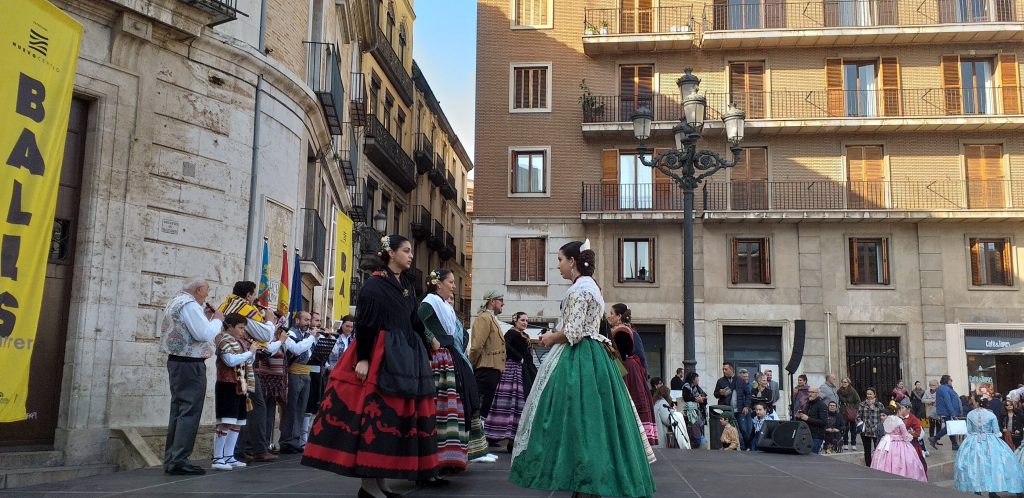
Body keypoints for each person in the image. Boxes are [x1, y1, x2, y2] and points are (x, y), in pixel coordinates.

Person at [509, 240, 655, 498]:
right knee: (598, 420)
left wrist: (550, 338)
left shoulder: (579, 290)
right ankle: (595, 479)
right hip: (595, 355)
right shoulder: (592, 287)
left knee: (576, 419)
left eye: (560, 260)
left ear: (573, 261)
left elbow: (574, 332)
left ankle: (585, 481)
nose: (558, 266)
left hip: (580, 357)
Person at [301, 234, 437, 498]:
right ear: (390, 253)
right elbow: (365, 324)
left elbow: (414, 321)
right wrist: (363, 358)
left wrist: (429, 340)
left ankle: (382, 480)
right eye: (406, 251)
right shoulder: (374, 286)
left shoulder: (406, 284)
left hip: (406, 354)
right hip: (380, 354)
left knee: (396, 417)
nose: (411, 255)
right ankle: (368, 486)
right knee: (376, 416)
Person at [160, 277, 224, 476]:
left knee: (178, 410)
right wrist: (217, 320)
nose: (207, 294)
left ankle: (172, 457)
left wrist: (204, 317)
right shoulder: (190, 304)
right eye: (206, 290)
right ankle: (179, 459)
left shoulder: (176, 300)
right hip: (190, 364)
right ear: (197, 289)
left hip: (177, 361)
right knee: (189, 410)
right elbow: (203, 334)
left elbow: (192, 327)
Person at [216, 281, 281, 463]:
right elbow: (265, 336)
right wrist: (269, 320)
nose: (255, 299)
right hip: (241, 366)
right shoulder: (244, 309)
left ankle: (237, 450)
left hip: (238, 364)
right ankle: (256, 448)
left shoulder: (228, 304)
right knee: (254, 404)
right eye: (254, 295)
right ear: (248, 295)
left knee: (244, 405)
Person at [418, 269, 468, 483]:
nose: (454, 286)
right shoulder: (430, 301)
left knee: (446, 408)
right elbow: (417, 321)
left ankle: (441, 461)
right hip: (437, 358)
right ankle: (429, 465)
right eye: (450, 282)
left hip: (446, 356)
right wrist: (431, 338)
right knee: (437, 407)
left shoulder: (441, 303)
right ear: (438, 284)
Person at [212, 313, 257, 471]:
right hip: (227, 384)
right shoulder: (223, 340)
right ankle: (218, 457)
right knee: (226, 421)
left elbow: (248, 361)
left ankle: (229, 456)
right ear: (230, 327)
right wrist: (250, 352)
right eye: (240, 328)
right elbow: (230, 361)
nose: (243, 331)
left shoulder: (240, 342)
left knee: (237, 423)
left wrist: (252, 352)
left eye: (244, 328)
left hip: (240, 384)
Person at [954, 395, 1024, 496]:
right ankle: (992, 491)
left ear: (977, 403)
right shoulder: (991, 415)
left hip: (973, 441)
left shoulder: (970, 414)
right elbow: (996, 432)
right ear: (987, 404)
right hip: (990, 442)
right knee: (993, 465)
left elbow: (969, 430)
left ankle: (976, 490)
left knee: (975, 465)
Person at [484, 311, 533, 452]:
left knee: (519, 403)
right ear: (515, 321)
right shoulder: (511, 333)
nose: (525, 322)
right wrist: (519, 357)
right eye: (522, 320)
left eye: (526, 320)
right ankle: (504, 436)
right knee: (511, 402)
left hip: (523, 370)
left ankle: (514, 439)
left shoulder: (523, 334)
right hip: (513, 370)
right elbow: (505, 347)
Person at [610, 303, 657, 446]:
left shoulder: (627, 332)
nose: (609, 316)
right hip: (624, 370)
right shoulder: (616, 330)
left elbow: (640, 356)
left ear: (619, 316)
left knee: (632, 405)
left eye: (611, 313)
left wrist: (643, 376)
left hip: (629, 373)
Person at [279, 311, 318, 454]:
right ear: (297, 321)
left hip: (306, 373)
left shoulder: (308, 336)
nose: (308, 323)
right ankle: (287, 441)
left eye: (309, 320)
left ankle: (296, 440)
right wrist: (312, 338)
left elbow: (311, 355)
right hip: (294, 373)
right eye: (305, 320)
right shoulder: (291, 333)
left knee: (301, 408)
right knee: (291, 408)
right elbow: (296, 349)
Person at [470, 290, 506, 419]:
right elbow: (476, 346)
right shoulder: (484, 318)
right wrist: (471, 364)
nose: (503, 303)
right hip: (485, 368)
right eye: (501, 300)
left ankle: (479, 434)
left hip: (491, 369)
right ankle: (475, 435)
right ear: (492, 301)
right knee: (479, 408)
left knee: (484, 409)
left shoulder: (490, 318)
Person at [870, 411, 928, 482]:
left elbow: (886, 432)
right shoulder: (899, 421)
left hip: (886, 444)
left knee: (884, 461)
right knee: (903, 462)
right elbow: (905, 436)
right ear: (898, 411)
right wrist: (910, 434)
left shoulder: (887, 420)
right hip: (899, 445)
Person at [929, 374, 962, 451]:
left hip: (948, 411)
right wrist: (952, 413)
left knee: (951, 427)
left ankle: (954, 445)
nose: (952, 381)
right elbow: (948, 401)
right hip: (948, 412)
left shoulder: (946, 388)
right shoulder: (944, 389)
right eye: (951, 380)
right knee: (949, 427)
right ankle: (934, 438)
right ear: (947, 381)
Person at [896, 397, 927, 473]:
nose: (900, 409)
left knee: (913, 465)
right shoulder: (897, 418)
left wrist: (909, 433)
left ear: (908, 409)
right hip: (899, 446)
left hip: (912, 446)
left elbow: (917, 433)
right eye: (900, 408)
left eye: (902, 408)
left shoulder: (913, 419)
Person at [858, 387, 886, 466]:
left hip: (876, 431)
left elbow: (883, 417)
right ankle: (868, 466)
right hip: (865, 431)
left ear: (874, 395)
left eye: (871, 394)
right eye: (867, 394)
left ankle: (877, 465)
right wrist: (861, 424)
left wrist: (879, 426)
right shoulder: (862, 404)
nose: (869, 395)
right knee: (867, 450)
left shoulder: (879, 405)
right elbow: (858, 416)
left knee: (877, 449)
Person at [797, 386, 828, 454]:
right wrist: (799, 416)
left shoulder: (822, 405)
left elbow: (824, 422)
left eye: (812, 392)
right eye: (809, 392)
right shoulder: (808, 404)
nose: (810, 394)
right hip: (807, 434)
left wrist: (808, 418)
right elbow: (806, 417)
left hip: (817, 436)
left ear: (817, 394)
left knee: (813, 456)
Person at [681, 371, 708, 447]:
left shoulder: (697, 388)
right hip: (690, 413)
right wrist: (696, 399)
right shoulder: (686, 386)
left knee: (699, 431)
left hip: (699, 412)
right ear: (693, 379)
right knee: (694, 433)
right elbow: (686, 397)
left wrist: (702, 400)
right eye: (697, 379)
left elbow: (705, 398)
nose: (698, 380)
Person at [837, 378, 861, 451]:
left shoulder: (852, 391)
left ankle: (853, 444)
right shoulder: (839, 391)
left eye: (845, 382)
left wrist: (854, 408)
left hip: (851, 411)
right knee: (845, 428)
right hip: (843, 411)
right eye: (843, 382)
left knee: (853, 429)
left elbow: (858, 401)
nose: (844, 383)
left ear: (848, 383)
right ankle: (845, 443)